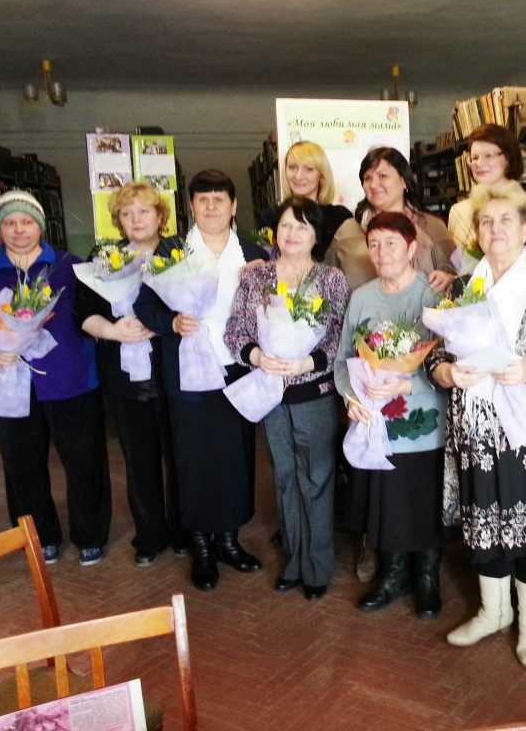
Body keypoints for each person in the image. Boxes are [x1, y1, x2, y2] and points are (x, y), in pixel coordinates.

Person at [427, 180, 526, 667]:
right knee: (483, 518)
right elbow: (435, 355)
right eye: (486, 221)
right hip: (475, 429)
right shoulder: (462, 288)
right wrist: (447, 373)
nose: (495, 229)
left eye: (506, 219)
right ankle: (493, 611)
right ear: (476, 231)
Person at [0, 191, 111, 565]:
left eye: (26, 221)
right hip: (10, 381)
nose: (19, 230)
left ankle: (90, 534)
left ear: (40, 225)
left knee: (84, 460)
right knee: (22, 464)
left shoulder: (71, 267)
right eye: (9, 223)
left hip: (71, 379)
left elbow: (95, 311)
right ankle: (40, 536)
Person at [134, 169, 267, 592]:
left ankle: (228, 539)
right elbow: (144, 304)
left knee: (235, 457)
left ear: (233, 206)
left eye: (219, 199)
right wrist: (171, 322)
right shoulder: (172, 250)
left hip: (237, 370)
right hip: (188, 371)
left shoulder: (253, 250)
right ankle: (201, 547)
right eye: (202, 199)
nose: (211, 206)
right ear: (191, 207)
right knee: (191, 459)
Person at [225, 197, 349, 601]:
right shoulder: (257, 277)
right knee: (284, 478)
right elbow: (235, 331)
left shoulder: (331, 280)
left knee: (317, 479)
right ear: (275, 233)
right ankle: (293, 561)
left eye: (302, 226)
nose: (292, 234)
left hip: (315, 393)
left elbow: (339, 337)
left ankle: (317, 566)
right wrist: (257, 357)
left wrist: (306, 362)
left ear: (316, 235)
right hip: (271, 394)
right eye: (286, 226)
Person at [333, 212, 449, 618]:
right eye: (374, 244)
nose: (381, 253)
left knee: (424, 499)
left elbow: (450, 362)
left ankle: (428, 578)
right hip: (375, 423)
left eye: (391, 244)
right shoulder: (361, 298)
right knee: (386, 502)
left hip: (424, 420)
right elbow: (343, 360)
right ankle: (392, 573)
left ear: (412, 247)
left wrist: (407, 386)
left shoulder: (432, 296)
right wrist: (350, 397)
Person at [76, 182, 184, 567]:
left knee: (179, 456)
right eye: (127, 213)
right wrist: (113, 330)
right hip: (123, 374)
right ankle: (150, 535)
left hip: (174, 369)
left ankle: (184, 530)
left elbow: (197, 306)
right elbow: (83, 313)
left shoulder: (179, 253)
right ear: (118, 221)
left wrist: (161, 325)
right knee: (138, 459)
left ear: (160, 216)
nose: (136, 220)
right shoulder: (104, 257)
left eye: (144, 211)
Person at [324, 146, 456, 293]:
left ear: (404, 181)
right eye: (367, 178)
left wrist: (450, 280)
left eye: (382, 176)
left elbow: (458, 279)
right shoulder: (347, 230)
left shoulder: (431, 226)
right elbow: (325, 282)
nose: (373, 184)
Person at [447, 124, 526, 250]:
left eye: (488, 155)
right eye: (474, 158)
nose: (479, 163)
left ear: (509, 158)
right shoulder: (458, 211)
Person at [256, 140, 353, 259]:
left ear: (321, 175)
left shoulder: (339, 217)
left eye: (309, 169)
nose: (298, 176)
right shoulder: (270, 215)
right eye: (292, 167)